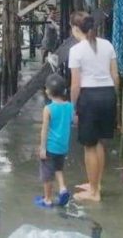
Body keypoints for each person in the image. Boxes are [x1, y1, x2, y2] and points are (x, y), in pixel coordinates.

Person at [68, 11, 118, 202]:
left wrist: (73, 107)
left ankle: (94, 192)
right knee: (99, 143)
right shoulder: (107, 44)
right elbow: (116, 76)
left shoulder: (76, 50)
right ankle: (95, 182)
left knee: (89, 146)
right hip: (108, 94)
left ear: (75, 28)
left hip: (89, 96)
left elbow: (75, 84)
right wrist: (114, 97)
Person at [35, 73, 73, 208]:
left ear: (48, 92)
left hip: (51, 147)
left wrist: (42, 147)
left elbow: (44, 130)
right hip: (63, 147)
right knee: (58, 169)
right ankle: (63, 189)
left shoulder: (48, 109)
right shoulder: (69, 106)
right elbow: (72, 120)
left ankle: (47, 199)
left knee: (47, 174)